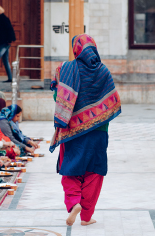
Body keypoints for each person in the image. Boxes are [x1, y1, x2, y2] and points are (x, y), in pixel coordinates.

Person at [50, 34, 121, 226]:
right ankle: (86, 217)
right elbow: (112, 101)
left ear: (76, 49)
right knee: (94, 172)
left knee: (71, 169)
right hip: (99, 131)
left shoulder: (65, 69)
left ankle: (74, 203)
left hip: (72, 131)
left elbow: (58, 95)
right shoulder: (103, 71)